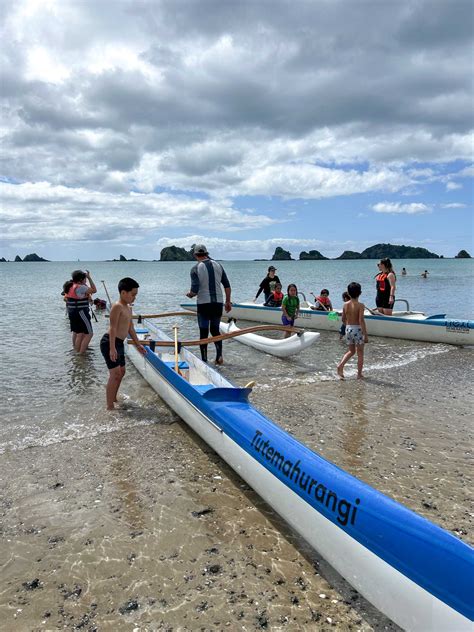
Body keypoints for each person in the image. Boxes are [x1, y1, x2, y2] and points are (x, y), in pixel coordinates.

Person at [100, 277, 146, 410]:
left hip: (119, 342)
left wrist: (138, 344)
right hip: (109, 342)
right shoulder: (117, 306)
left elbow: (130, 328)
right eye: (133, 294)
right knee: (114, 374)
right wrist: (112, 348)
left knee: (122, 371)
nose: (134, 298)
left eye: (136, 295)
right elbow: (112, 328)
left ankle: (114, 398)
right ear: (123, 293)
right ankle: (109, 407)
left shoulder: (128, 308)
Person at [186, 244, 231, 365]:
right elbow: (227, 285)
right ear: (206, 253)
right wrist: (228, 302)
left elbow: (194, 290)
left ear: (195, 255)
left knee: (204, 332)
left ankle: (204, 360)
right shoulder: (218, 265)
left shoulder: (195, 268)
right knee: (215, 330)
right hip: (218, 303)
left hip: (204, 304)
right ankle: (219, 356)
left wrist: (189, 294)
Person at [337, 282, 368, 380]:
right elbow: (361, 320)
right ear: (360, 293)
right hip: (357, 329)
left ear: (348, 294)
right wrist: (365, 334)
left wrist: (348, 327)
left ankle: (341, 365)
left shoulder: (345, 304)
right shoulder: (360, 305)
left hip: (348, 328)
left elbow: (343, 319)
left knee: (351, 351)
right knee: (360, 353)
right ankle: (359, 374)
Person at [63, 270, 97, 353]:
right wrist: (89, 277)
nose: (86, 280)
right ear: (81, 279)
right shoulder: (81, 287)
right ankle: (81, 354)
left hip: (72, 312)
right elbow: (94, 290)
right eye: (85, 278)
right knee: (89, 334)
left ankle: (76, 350)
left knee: (77, 333)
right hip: (81, 312)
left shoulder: (70, 285)